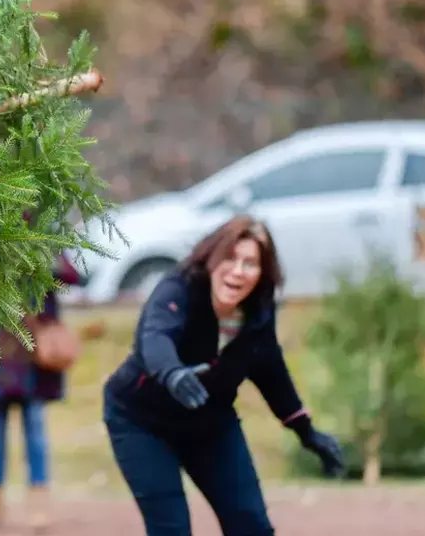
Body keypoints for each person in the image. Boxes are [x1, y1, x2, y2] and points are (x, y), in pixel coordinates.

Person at [102, 215, 344, 536]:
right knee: (171, 528)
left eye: (250, 263)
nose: (237, 271)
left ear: (262, 273)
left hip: (210, 426)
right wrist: (172, 374)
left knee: (251, 526)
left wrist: (305, 430)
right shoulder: (179, 289)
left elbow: (271, 371)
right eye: (230, 258)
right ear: (212, 258)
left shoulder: (258, 313)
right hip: (142, 423)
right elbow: (156, 337)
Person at [0, 247, 82, 532]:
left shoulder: (43, 232)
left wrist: (36, 259)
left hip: (34, 352)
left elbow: (71, 275)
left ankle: (39, 504)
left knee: (35, 429)